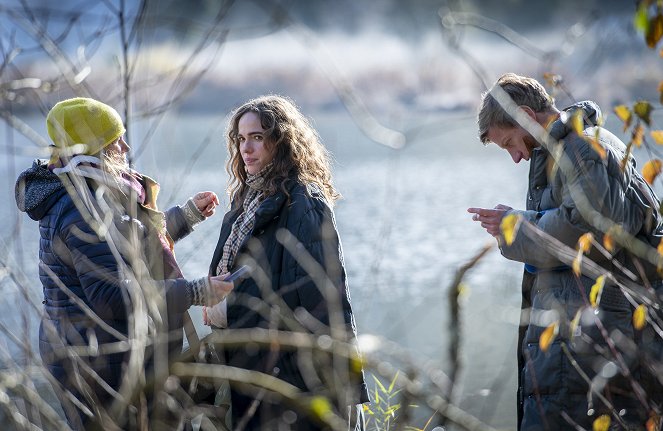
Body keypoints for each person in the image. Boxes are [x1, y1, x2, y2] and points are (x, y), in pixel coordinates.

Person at [14, 97, 233, 430]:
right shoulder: (80, 207)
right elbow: (110, 295)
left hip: (98, 353)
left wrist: (185, 216)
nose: (126, 146)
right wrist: (196, 292)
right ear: (94, 147)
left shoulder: (88, 188)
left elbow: (128, 241)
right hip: (96, 363)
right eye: (117, 139)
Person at [467, 73, 663, 430]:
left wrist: (514, 227)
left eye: (510, 142)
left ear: (527, 113)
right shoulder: (574, 148)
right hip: (588, 341)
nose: (515, 157)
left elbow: (587, 232)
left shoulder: (580, 149)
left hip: (587, 347)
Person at [202, 95, 369, 430]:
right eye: (241, 139)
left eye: (257, 137)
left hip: (293, 376)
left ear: (281, 141)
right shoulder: (244, 201)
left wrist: (226, 309)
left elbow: (311, 294)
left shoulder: (303, 201)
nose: (246, 148)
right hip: (250, 366)